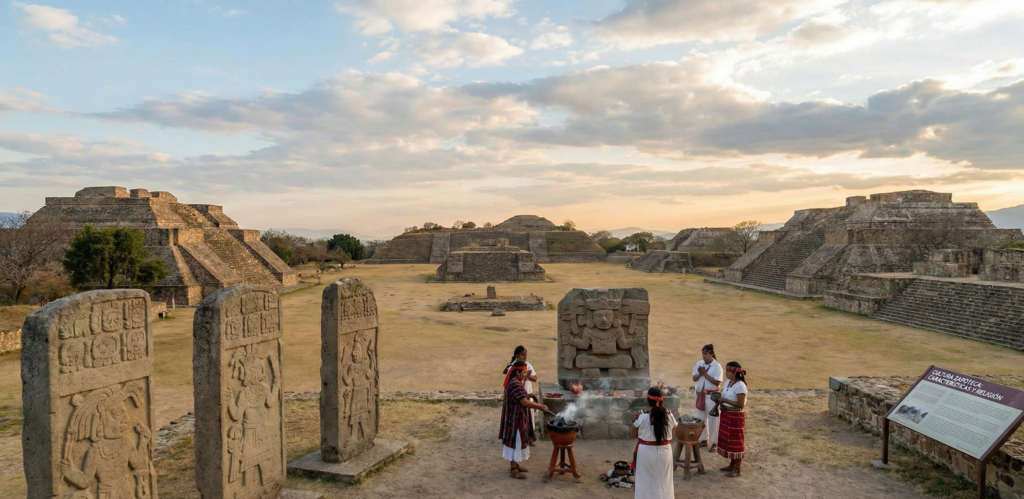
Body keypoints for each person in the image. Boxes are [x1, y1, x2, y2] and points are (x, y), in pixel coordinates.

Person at [500, 360, 549, 479]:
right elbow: (523, 402)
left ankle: (516, 464)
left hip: (518, 417)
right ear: (517, 373)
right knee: (514, 441)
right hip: (514, 418)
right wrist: (541, 407)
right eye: (524, 372)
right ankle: (513, 470)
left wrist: (530, 395)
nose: (526, 375)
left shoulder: (516, 382)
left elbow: (523, 396)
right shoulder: (514, 384)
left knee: (518, 441)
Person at [631, 387, 678, 499]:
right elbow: (673, 432)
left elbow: (633, 434)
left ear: (648, 401)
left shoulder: (641, 415)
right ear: (662, 400)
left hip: (645, 453)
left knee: (645, 482)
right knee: (664, 481)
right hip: (665, 451)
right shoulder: (669, 414)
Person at [717, 361, 748, 477]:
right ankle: (732, 464)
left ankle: (737, 469)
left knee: (736, 442)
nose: (726, 373)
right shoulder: (727, 383)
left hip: (735, 416)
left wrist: (725, 401)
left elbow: (740, 404)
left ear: (735, 373)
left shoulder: (740, 385)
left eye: (728, 371)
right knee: (728, 440)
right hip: (726, 415)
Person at [503, 346, 538, 443]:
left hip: (526, 391)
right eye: (522, 355)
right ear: (517, 356)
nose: (525, 357)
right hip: (516, 395)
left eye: (525, 355)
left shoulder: (527, 364)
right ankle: (517, 439)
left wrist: (527, 375)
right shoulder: (512, 368)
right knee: (518, 417)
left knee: (528, 415)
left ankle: (529, 437)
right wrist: (542, 407)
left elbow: (535, 379)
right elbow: (508, 384)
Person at [692, 343, 723, 451]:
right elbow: (694, 378)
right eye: (703, 353)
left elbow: (717, 382)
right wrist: (700, 374)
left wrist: (704, 374)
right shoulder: (699, 363)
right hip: (700, 394)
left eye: (705, 354)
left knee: (713, 419)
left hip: (711, 397)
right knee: (700, 419)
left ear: (711, 354)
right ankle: (704, 439)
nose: (703, 356)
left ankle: (715, 442)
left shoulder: (717, 366)